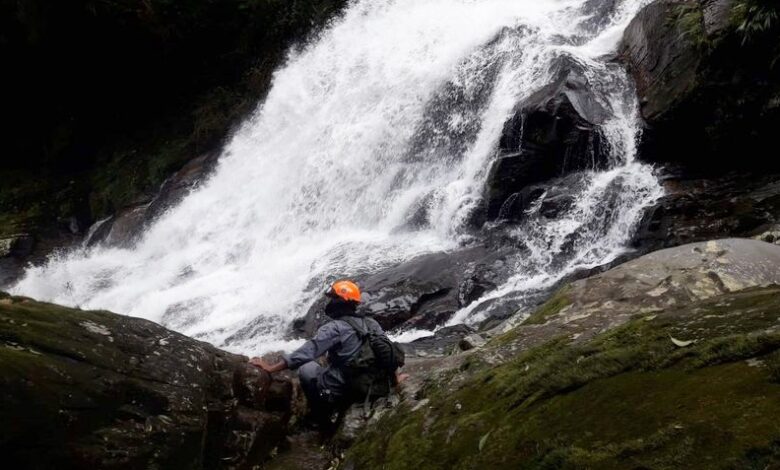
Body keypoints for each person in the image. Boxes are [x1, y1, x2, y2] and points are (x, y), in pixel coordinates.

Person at [250, 280, 405, 425]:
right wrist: (394, 378)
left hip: (351, 389)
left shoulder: (334, 327)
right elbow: (386, 350)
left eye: (332, 299)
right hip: (378, 385)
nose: (329, 303)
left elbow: (305, 354)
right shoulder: (372, 323)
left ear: (339, 302)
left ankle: (320, 418)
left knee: (307, 369)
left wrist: (270, 368)